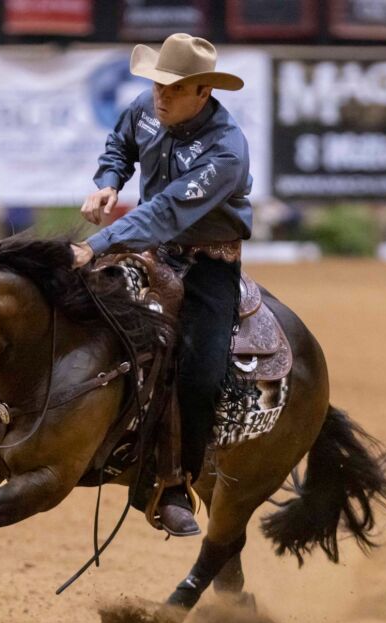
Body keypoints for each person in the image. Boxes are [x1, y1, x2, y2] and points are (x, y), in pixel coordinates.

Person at [72, 33, 253, 536]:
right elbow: (121, 144)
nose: (161, 96)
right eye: (158, 85)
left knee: (200, 372)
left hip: (208, 262)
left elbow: (165, 211)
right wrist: (109, 180)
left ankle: (176, 482)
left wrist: (97, 244)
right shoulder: (145, 108)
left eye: (174, 89)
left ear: (203, 92)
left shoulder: (226, 150)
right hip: (150, 250)